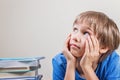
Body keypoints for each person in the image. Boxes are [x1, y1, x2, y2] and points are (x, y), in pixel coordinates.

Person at [52, 11, 120, 80]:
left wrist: (86, 66)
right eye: (75, 29)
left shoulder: (113, 62)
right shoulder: (60, 61)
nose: (75, 37)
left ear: (103, 47)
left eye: (86, 33)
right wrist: (70, 63)